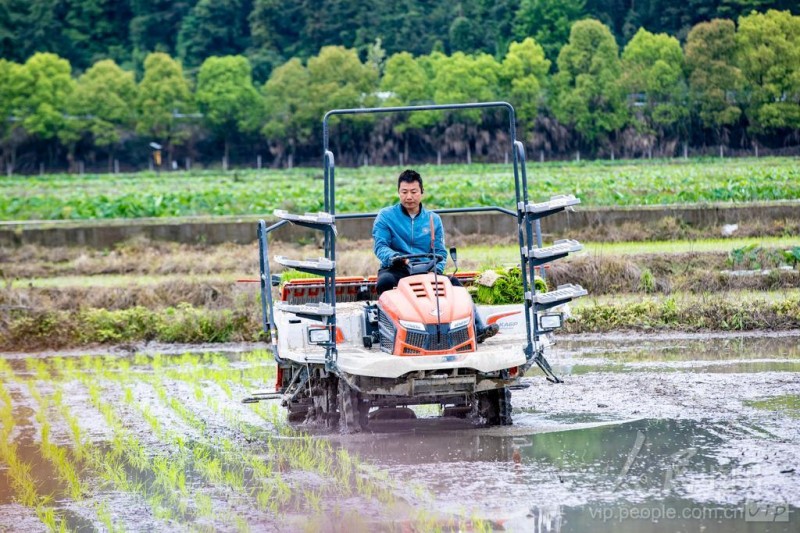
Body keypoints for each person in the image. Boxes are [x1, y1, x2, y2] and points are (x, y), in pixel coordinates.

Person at [372, 169, 499, 343]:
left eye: (414, 192)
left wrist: (436, 269)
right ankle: (387, 333)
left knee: (455, 284)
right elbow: (380, 246)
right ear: (398, 192)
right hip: (396, 267)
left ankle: (477, 329)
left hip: (426, 268)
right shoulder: (386, 216)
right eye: (404, 192)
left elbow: (439, 252)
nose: (409, 196)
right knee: (384, 282)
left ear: (422, 192)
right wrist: (395, 257)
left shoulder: (433, 219)